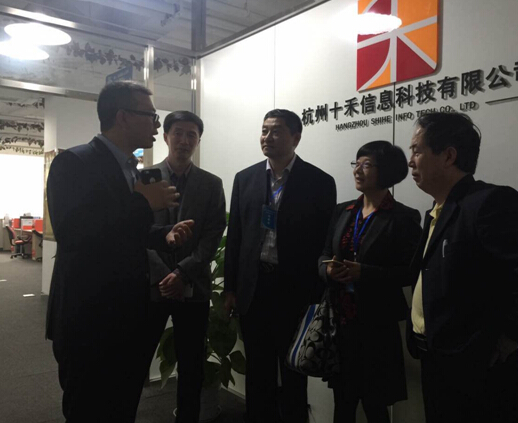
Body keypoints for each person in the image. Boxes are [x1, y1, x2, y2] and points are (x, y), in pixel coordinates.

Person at [406, 112, 518, 423]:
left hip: (477, 372)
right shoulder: (439, 209)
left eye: (417, 150)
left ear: (448, 156)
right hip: (438, 362)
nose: (410, 161)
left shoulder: (487, 203)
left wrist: (510, 335)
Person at [46, 81, 194, 423]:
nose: (157, 125)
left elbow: (122, 232)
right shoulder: (74, 162)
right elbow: (73, 233)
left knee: (122, 407)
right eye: (151, 116)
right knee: (89, 409)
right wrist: (143, 203)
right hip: (89, 318)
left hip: (128, 316)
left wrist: (163, 234)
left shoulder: (130, 168)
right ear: (123, 117)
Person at [224, 109, 337, 423]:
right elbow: (236, 237)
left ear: (295, 138)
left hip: (295, 291)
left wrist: (318, 292)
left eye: (276, 131)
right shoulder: (245, 178)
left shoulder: (319, 181)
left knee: (293, 371)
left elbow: (325, 242)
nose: (267, 137)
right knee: (257, 369)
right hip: (254, 289)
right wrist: (231, 288)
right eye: (264, 130)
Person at [319, 141, 421, 423]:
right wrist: (328, 271)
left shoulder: (403, 217)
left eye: (366, 165)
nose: (357, 170)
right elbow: (324, 254)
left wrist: (365, 273)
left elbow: (410, 272)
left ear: (385, 171)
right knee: (342, 402)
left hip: (376, 326)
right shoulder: (343, 211)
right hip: (339, 322)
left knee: (375, 404)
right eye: (357, 163)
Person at [143, 111, 226, 422]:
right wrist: (165, 276)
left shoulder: (211, 184)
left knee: (192, 363)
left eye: (192, 135)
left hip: (193, 286)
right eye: (178, 133)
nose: (184, 140)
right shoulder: (144, 178)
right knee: (137, 357)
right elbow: (136, 232)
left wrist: (183, 272)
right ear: (166, 137)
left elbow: (213, 234)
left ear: (198, 141)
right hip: (150, 284)